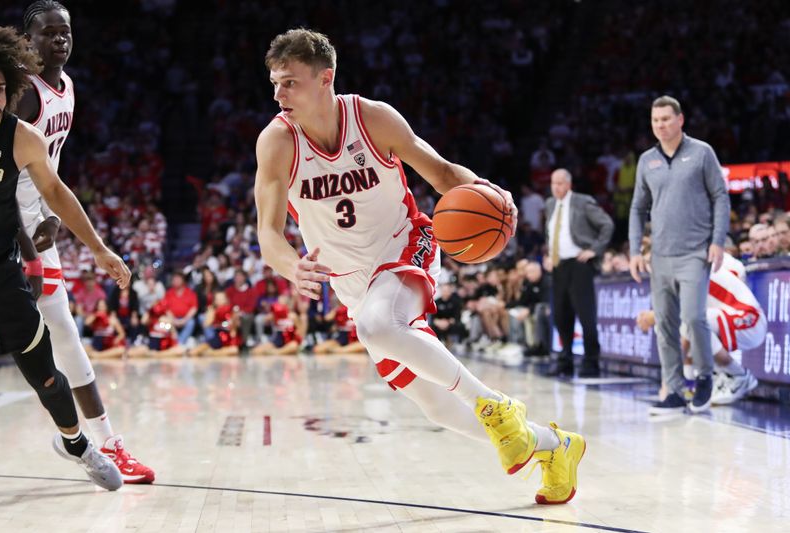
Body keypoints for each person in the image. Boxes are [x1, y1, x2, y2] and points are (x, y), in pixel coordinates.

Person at [254, 28, 585, 504]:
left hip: (405, 243)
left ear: (325, 78)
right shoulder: (277, 142)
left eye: (290, 82)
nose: (279, 93)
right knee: (436, 407)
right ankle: (557, 446)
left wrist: (490, 193)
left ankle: (495, 405)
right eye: (275, 83)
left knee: (377, 325)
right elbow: (268, 232)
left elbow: (444, 175)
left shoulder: (372, 118)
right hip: (353, 282)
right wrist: (292, 265)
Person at [13, 1, 154, 483]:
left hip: (33, 223)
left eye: (66, 32)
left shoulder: (67, 88)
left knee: (65, 332)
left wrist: (51, 216)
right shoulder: (21, 94)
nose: (60, 40)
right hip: (5, 224)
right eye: (48, 33)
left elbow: (52, 166)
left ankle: (106, 441)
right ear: (26, 39)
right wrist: (27, 245)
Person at [0, 23, 130, 490]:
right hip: (21, 245)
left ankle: (79, 442)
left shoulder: (21, 133)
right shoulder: (33, 104)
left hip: (4, 261)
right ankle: (102, 439)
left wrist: (98, 248)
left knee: (46, 361)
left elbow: (56, 189)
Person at [629, 95, 730, 415]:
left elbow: (721, 197)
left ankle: (703, 376)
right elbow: (636, 208)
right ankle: (673, 389)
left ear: (680, 120)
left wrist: (718, 240)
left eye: (666, 119)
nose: (660, 125)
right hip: (660, 256)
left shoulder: (702, 152)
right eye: (655, 120)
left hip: (694, 253)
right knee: (666, 325)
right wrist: (634, 250)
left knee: (693, 318)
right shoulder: (647, 160)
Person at [636, 253, 763, 407]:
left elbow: (678, 318)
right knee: (689, 326)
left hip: (750, 320)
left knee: (688, 323)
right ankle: (692, 386)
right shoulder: (693, 259)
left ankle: (738, 376)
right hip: (733, 316)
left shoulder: (687, 269)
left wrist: (667, 386)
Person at [545, 168, 614, 377]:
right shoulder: (549, 205)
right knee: (560, 315)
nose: (556, 187)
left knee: (585, 315)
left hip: (579, 265)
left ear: (568, 184)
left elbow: (607, 225)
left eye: (559, 183)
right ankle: (565, 360)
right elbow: (551, 233)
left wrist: (594, 249)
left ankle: (591, 361)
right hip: (559, 265)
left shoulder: (583, 202)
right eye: (553, 183)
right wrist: (549, 254)